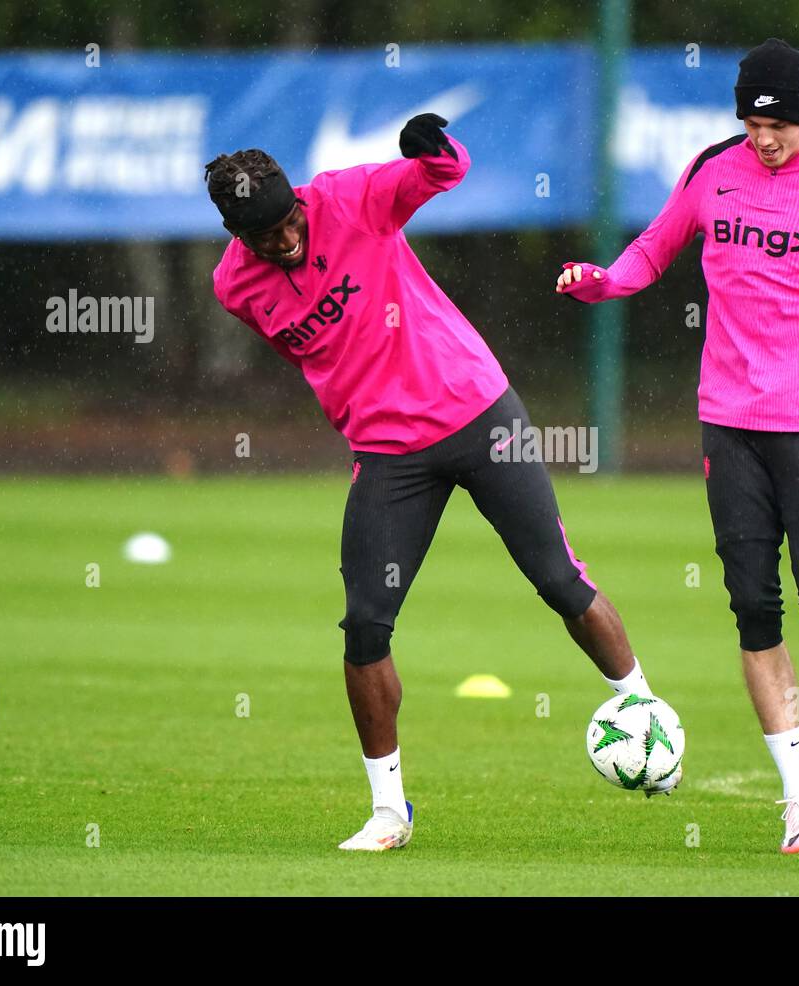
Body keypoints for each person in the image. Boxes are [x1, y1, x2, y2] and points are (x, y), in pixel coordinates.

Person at [207, 113, 665, 852]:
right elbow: (317, 354)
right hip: (388, 452)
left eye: (288, 221)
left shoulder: (348, 199)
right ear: (236, 236)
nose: (284, 240)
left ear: (297, 199)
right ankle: (390, 811)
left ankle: (644, 712)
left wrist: (430, 146)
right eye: (263, 236)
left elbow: (444, 172)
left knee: (557, 579)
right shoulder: (234, 286)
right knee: (364, 625)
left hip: (478, 412)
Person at [556, 40, 799, 854]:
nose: (764, 138)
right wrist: (605, 280)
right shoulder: (709, 171)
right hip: (728, 422)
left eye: (779, 123)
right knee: (754, 611)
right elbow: (654, 249)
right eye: (754, 120)